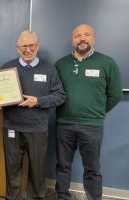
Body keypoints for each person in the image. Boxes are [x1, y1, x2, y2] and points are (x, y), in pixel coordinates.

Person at [0, 30, 66, 200]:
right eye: (24, 46)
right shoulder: (7, 68)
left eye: (31, 45)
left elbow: (60, 96)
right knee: (12, 169)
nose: (28, 49)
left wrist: (38, 101)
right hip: (12, 128)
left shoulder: (49, 68)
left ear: (37, 46)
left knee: (38, 171)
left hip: (38, 129)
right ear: (18, 48)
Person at [55, 24, 123, 200]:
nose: (82, 38)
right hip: (64, 124)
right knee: (63, 165)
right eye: (77, 35)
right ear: (72, 40)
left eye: (86, 34)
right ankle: (62, 197)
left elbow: (115, 94)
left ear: (93, 38)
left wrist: (96, 112)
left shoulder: (107, 63)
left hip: (92, 126)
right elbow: (54, 93)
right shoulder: (61, 64)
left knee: (92, 168)